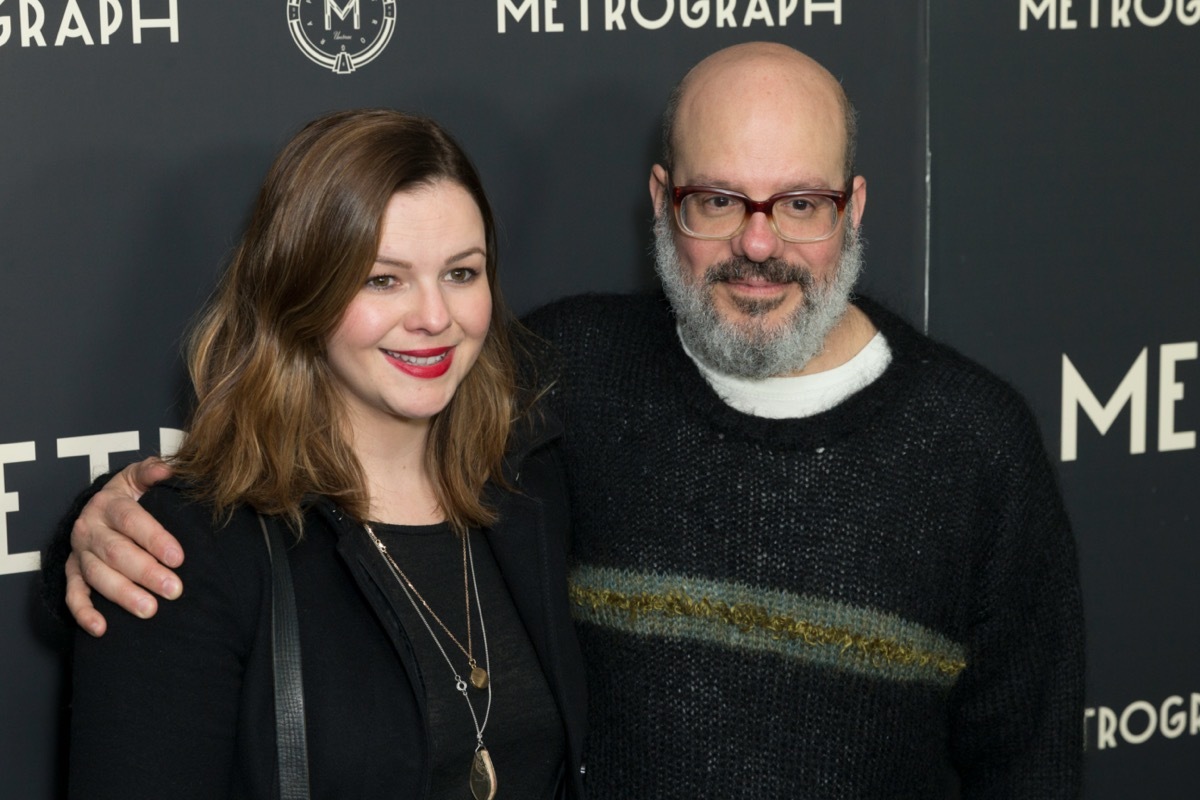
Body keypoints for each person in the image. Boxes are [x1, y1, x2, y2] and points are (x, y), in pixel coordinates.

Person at [50, 43, 1084, 797]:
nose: (756, 244)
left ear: (853, 208)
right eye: (717, 199)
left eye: (799, 203)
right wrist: (109, 516)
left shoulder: (977, 443)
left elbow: (1028, 767)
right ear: (661, 200)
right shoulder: (570, 380)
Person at [52, 109, 586, 800]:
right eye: (382, 279)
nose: (433, 316)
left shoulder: (532, 491)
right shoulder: (179, 551)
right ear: (302, 290)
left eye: (461, 273)